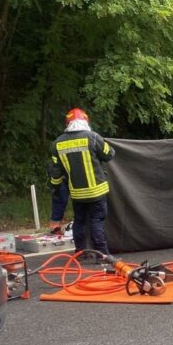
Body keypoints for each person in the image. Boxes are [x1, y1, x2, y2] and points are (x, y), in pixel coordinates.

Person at [48, 108, 115, 256]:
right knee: (96, 221)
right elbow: (109, 154)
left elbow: (56, 172)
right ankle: (103, 255)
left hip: (77, 193)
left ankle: (80, 253)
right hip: (97, 191)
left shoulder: (57, 143)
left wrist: (55, 186)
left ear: (67, 123)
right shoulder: (93, 137)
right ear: (86, 122)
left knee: (79, 222)